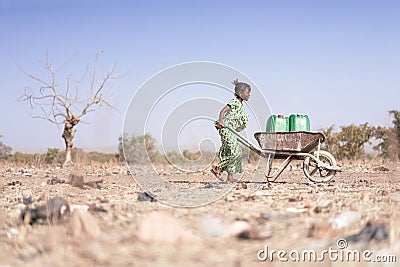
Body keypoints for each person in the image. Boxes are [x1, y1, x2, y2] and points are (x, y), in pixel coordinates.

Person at [211, 79, 251, 182]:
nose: (249, 95)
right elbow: (223, 111)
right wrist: (221, 122)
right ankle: (218, 168)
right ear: (241, 93)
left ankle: (230, 176)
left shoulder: (241, 105)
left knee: (232, 151)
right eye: (247, 92)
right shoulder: (235, 102)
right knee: (236, 152)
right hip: (225, 128)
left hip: (231, 130)